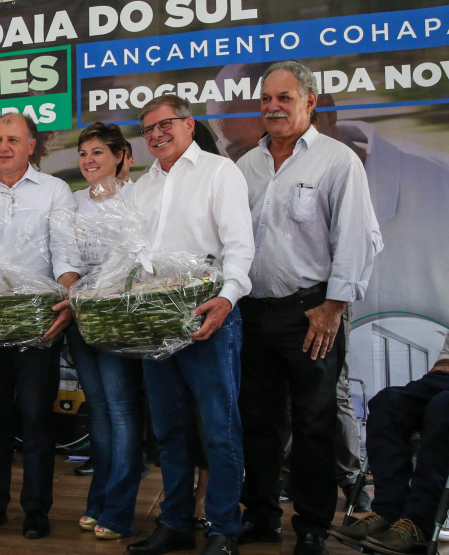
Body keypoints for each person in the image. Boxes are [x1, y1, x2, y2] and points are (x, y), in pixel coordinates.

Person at [208, 61, 380, 512]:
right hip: (254, 313)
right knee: (259, 422)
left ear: (311, 102)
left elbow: (357, 238)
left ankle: (312, 528)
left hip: (312, 313)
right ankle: (261, 516)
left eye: (284, 98)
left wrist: (333, 307)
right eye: (266, 99)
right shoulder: (246, 165)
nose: (273, 107)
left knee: (313, 425)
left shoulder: (336, 159)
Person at [122, 95, 254, 555]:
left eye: (165, 125)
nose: (156, 134)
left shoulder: (219, 172)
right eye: (148, 129)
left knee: (219, 428)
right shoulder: (141, 187)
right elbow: (136, 257)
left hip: (210, 316)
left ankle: (223, 529)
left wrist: (226, 298)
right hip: (157, 322)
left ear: (188, 123)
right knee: (168, 429)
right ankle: (176, 521)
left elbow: (240, 245)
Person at [0, 113, 80, 540]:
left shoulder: (55, 191)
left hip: (38, 322)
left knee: (37, 418)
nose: (3, 147)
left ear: (31, 145)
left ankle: (37, 509)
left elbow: (65, 252)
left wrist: (68, 296)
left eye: (13, 140)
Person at [69, 122, 144, 540]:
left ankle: (119, 510)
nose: (88, 160)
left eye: (98, 152)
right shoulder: (74, 201)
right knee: (97, 411)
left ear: (119, 156)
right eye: (83, 153)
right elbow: (64, 254)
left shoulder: (138, 198)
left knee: (121, 409)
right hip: (81, 318)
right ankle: (98, 501)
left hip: (120, 318)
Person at [328, 333, 449, 555]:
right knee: (387, 403)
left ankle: (418, 523)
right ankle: (388, 512)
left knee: (442, 408)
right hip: (442, 378)